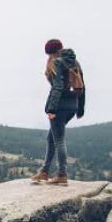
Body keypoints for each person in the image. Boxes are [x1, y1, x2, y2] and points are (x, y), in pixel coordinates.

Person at [30, 38, 85, 185]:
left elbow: (58, 87)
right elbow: (83, 86)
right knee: (51, 138)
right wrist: (80, 108)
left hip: (59, 107)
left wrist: (51, 108)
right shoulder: (74, 62)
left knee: (59, 140)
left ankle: (61, 174)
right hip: (72, 106)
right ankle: (44, 171)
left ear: (51, 53)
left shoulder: (57, 63)